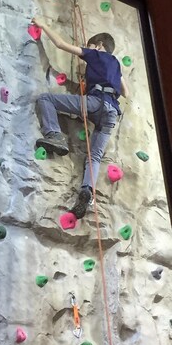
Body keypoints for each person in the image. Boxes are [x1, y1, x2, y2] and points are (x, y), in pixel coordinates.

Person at [32, 17, 129, 219]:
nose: (88, 48)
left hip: (95, 102)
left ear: (99, 45)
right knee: (94, 156)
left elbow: (61, 44)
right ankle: (87, 190)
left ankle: (54, 135)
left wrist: (43, 25)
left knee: (46, 99)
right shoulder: (116, 65)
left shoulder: (95, 54)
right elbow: (125, 92)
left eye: (90, 45)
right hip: (111, 113)